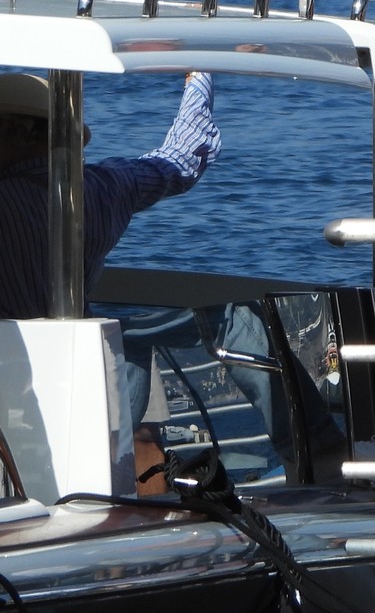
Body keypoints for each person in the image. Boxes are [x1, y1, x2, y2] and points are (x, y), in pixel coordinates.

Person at [0, 71, 221, 491]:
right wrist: (198, 81)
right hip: (78, 375)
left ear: (12, 131)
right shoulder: (102, 189)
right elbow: (181, 158)